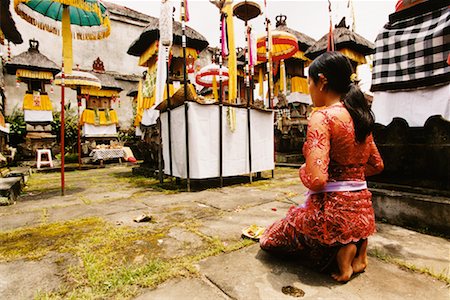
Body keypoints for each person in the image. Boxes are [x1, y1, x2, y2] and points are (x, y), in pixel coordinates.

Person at [260, 51, 384, 282]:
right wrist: (348, 175)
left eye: (309, 81)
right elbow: (377, 165)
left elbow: (317, 180)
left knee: (270, 239)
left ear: (322, 81)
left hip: (331, 216)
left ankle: (339, 252)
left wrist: (303, 170)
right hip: (363, 216)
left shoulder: (323, 117)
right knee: (342, 227)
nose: (308, 88)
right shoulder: (359, 115)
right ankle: (359, 249)